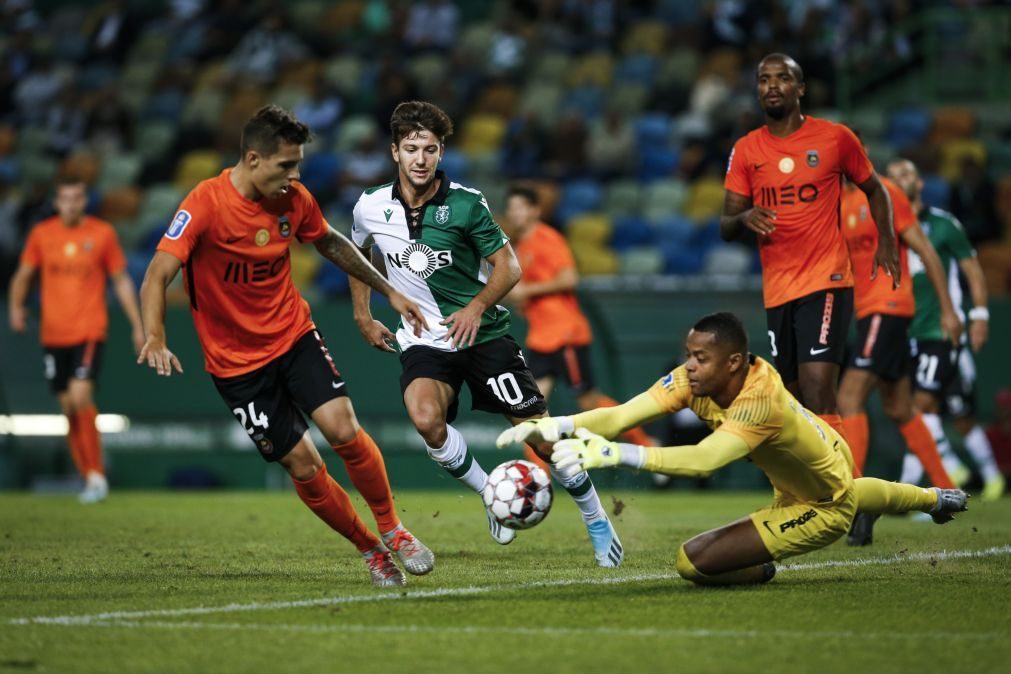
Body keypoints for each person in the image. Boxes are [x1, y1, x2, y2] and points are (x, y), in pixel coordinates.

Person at [137, 105, 434, 587]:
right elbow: (157, 273)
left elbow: (331, 243)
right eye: (286, 166)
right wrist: (154, 334)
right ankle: (370, 550)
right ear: (253, 159)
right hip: (236, 366)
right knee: (303, 463)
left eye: (298, 165)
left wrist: (389, 291)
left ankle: (393, 528)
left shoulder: (292, 198)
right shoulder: (205, 204)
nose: (295, 176)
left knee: (342, 428)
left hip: (292, 335)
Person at [499, 312, 969, 586]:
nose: (690, 367)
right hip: (824, 461)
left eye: (701, 358)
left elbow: (706, 460)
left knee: (692, 563)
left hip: (820, 505)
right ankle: (933, 499)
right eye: (689, 354)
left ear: (736, 363)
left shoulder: (759, 401)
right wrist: (554, 424)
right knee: (846, 487)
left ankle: (758, 564)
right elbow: (622, 415)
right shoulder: (695, 379)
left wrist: (619, 455)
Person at [349, 100, 623, 567]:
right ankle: (487, 492)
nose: (420, 159)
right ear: (394, 151)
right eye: (412, 148)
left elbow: (509, 266)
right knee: (425, 419)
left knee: (540, 437)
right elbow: (356, 253)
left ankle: (596, 518)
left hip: (485, 336)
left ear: (440, 153)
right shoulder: (370, 206)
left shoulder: (466, 203)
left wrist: (478, 306)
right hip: (425, 339)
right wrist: (362, 314)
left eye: (430, 150)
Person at [719, 53, 901, 446]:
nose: (771, 86)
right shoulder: (747, 150)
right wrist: (744, 217)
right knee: (795, 395)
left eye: (782, 78)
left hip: (827, 278)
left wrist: (887, 239)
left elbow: (876, 188)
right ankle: (809, 488)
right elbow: (726, 225)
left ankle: (845, 491)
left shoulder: (835, 138)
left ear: (800, 89)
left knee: (820, 385)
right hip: (779, 288)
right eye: (763, 79)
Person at [837, 172, 963, 544]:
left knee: (849, 397)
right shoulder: (836, 203)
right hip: (868, 312)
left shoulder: (885, 193)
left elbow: (926, 250)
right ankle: (947, 490)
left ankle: (856, 499)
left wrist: (948, 310)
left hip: (888, 306)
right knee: (899, 406)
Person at [8, 175, 144, 504]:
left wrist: (138, 324)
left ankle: (97, 475)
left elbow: (121, 280)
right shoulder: (42, 235)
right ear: (57, 203)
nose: (71, 204)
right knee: (68, 406)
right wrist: (15, 306)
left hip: (88, 331)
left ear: (85, 201)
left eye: (77, 198)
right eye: (65, 199)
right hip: (53, 335)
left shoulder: (102, 234)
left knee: (81, 396)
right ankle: (87, 476)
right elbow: (24, 274)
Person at [501, 185, 655, 469]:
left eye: (520, 207)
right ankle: (539, 479)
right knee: (529, 412)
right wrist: (521, 301)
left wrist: (529, 291)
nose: (514, 213)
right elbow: (524, 294)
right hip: (541, 338)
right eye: (511, 208)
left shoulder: (547, 238)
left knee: (589, 400)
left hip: (565, 334)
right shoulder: (519, 248)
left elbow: (569, 278)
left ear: (535, 210)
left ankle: (646, 445)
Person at [887, 158, 1004, 501]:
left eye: (906, 173)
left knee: (938, 411)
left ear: (920, 182)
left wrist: (979, 315)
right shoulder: (885, 230)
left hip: (940, 333)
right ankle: (953, 472)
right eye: (892, 177)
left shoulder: (942, 225)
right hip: (904, 335)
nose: (900, 180)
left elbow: (973, 271)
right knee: (924, 411)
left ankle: (921, 493)